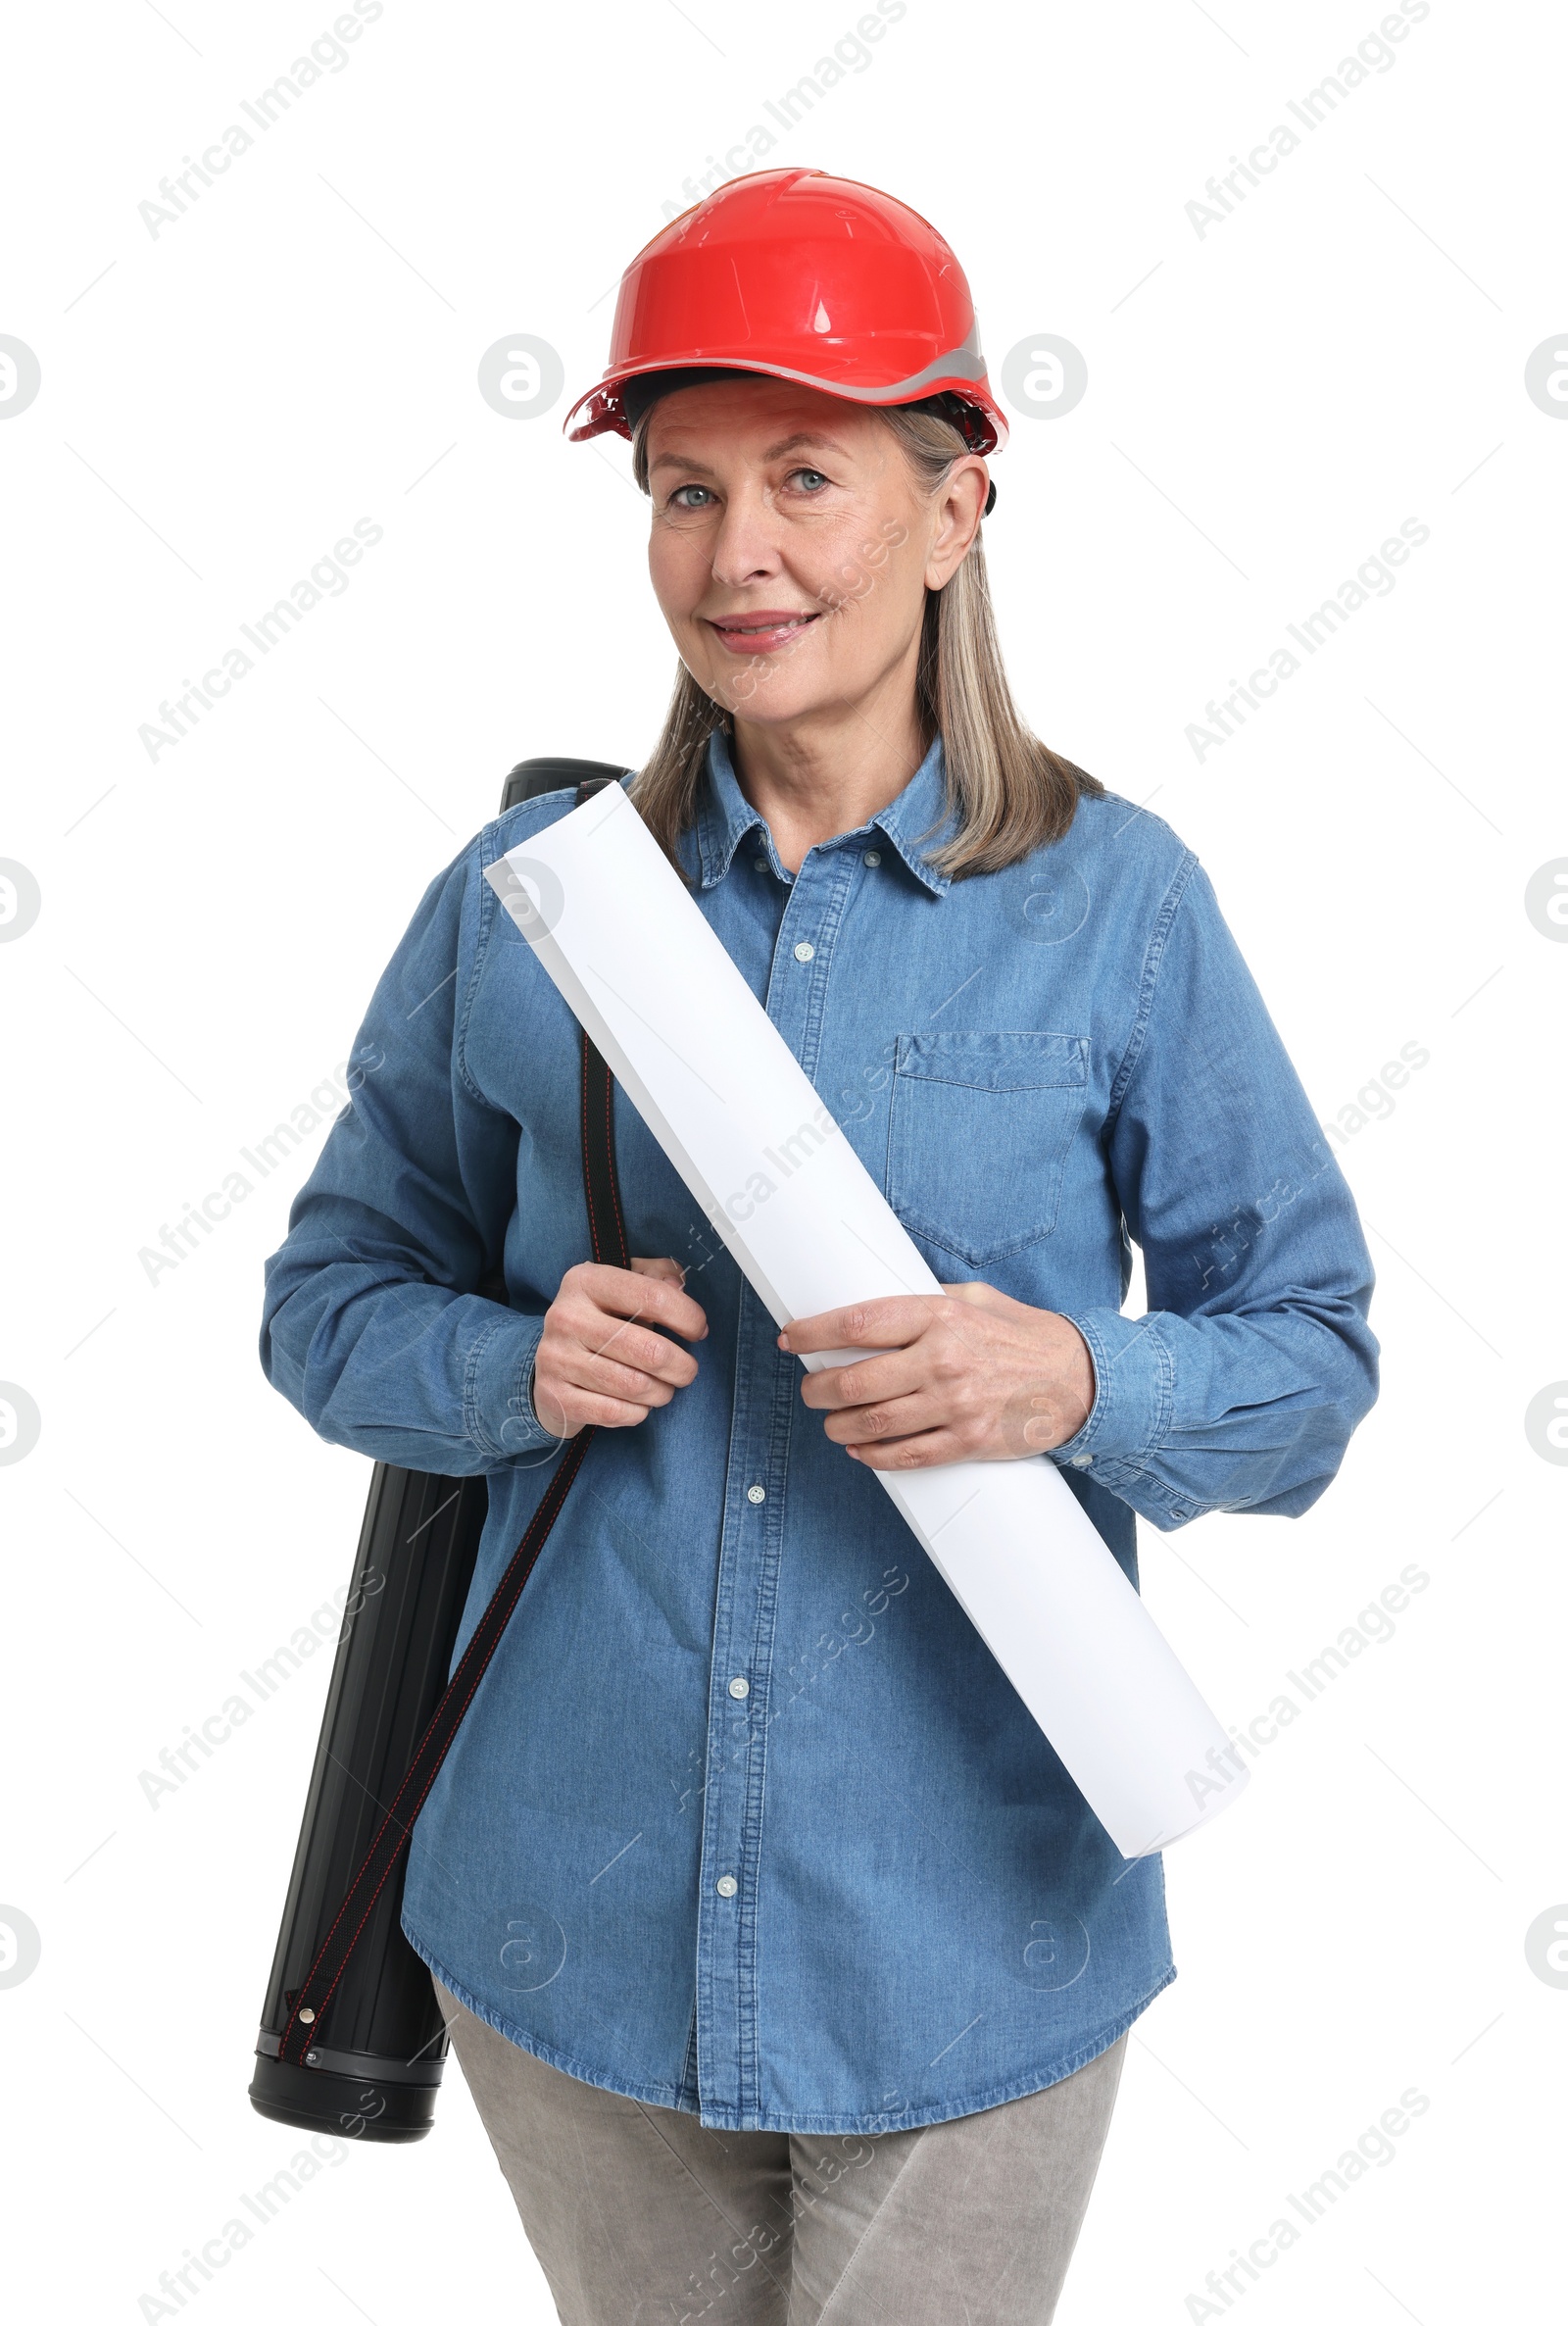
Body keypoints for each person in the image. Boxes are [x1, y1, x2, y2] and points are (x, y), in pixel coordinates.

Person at [260, 168, 1378, 2325]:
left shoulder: (1118, 907)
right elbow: (326, 1301)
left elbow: (1305, 1362)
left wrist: (1078, 1379)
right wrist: (509, 1360)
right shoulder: (530, 894)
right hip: (556, 1906)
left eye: (806, 477)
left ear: (955, 504)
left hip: (963, 1922)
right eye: (681, 491)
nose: (736, 554)